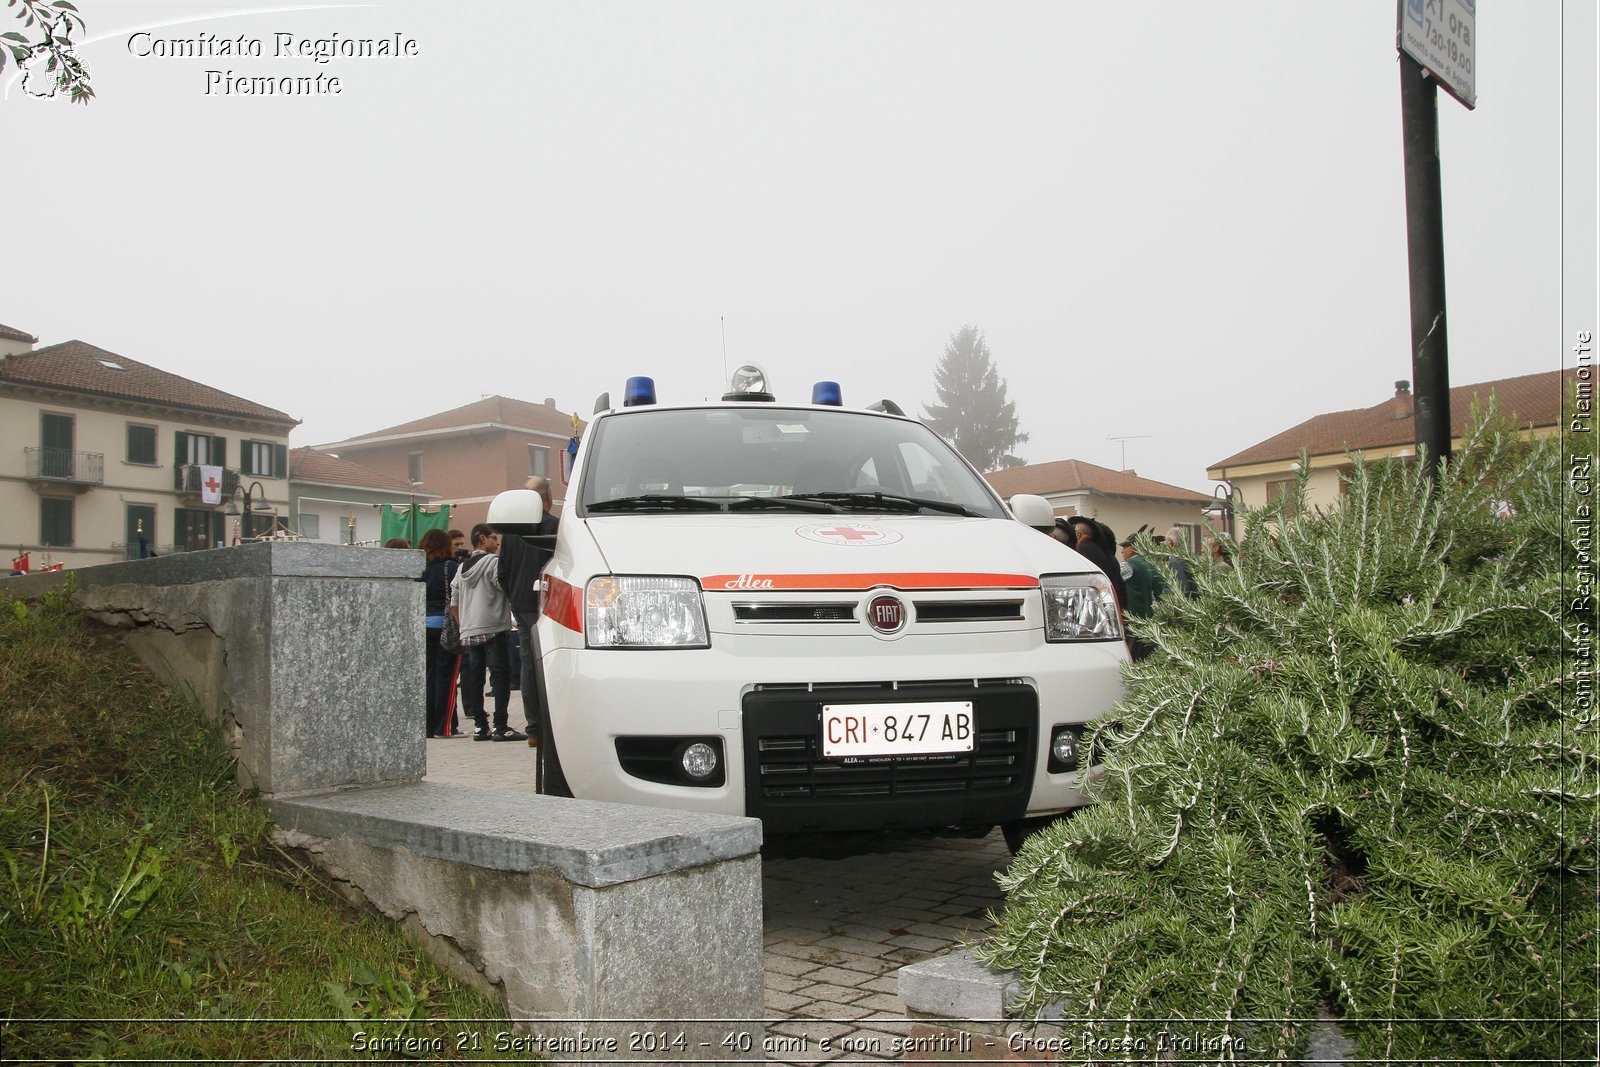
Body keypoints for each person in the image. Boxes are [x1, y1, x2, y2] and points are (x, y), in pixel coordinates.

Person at [496, 476, 560, 747]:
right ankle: (553, 727)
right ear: (548, 498)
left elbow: (502, 573)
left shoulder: (510, 531)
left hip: (522, 604)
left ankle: (533, 728)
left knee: (528, 665)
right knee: (552, 663)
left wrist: (515, 596)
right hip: (549, 604)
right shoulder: (556, 526)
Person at [451, 523, 524, 742]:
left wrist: (463, 624)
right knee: (500, 675)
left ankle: (480, 726)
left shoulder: (461, 567)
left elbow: (453, 599)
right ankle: (500, 725)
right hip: (493, 627)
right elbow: (504, 586)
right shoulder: (493, 562)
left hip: (470, 629)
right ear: (482, 538)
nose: (497, 542)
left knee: (475, 678)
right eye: (493, 538)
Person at [417, 528, 460, 737]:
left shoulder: (420, 568)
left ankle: (427, 726)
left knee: (429, 676)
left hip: (422, 625)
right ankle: (443, 727)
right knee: (447, 677)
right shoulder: (451, 567)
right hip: (445, 626)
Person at [1118, 535, 1167, 660]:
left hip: (1132, 616)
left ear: (1133, 549)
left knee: (1131, 655)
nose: (1122, 551)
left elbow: (1113, 582)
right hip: (1146, 615)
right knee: (1145, 654)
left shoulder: (1129, 565)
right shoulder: (1147, 564)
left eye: (1125, 547)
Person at [1063, 516, 1127, 610]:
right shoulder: (1106, 552)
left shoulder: (1083, 550)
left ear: (1078, 535)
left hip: (1099, 605)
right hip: (1115, 602)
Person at [1163, 526, 1199, 597]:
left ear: (1171, 542)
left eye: (1166, 541)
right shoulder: (1191, 557)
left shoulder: (1175, 561)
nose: (1165, 544)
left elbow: (1182, 590)